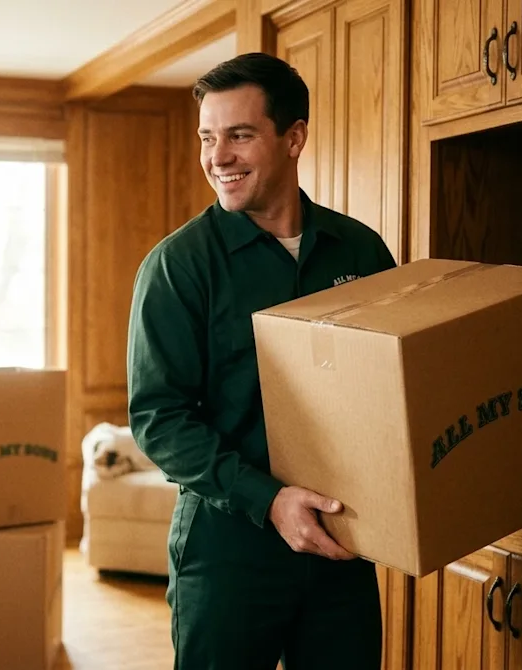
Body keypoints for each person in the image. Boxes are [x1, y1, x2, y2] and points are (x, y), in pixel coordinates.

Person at [127, 52, 397, 670]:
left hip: (342, 543)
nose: (217, 157)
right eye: (207, 137)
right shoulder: (177, 267)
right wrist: (270, 500)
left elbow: (389, 390)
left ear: (294, 137)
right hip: (229, 549)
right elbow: (158, 419)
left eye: (239, 135)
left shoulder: (361, 249)